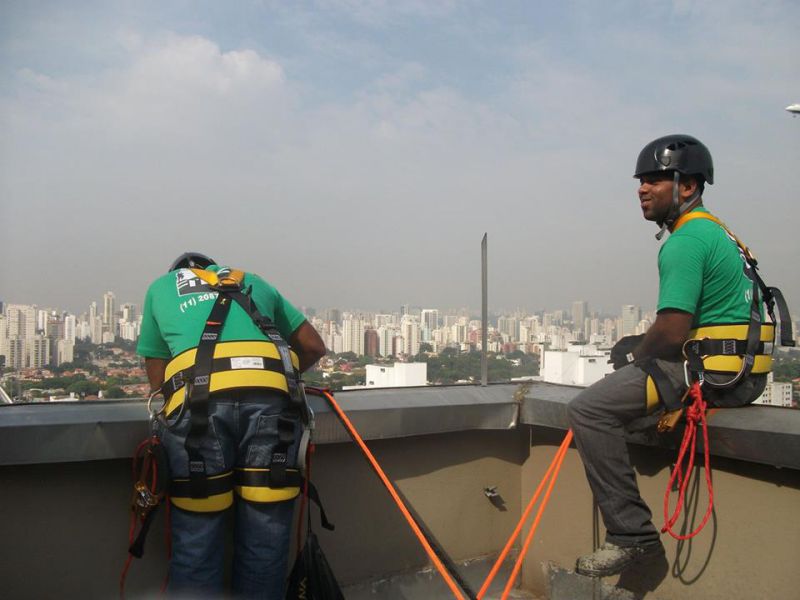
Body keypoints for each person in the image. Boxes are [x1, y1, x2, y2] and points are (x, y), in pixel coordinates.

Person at [567, 134, 774, 577]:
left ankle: (632, 536)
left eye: (656, 179)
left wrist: (636, 355)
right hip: (743, 374)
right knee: (634, 403)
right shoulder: (719, 231)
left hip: (710, 376)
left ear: (687, 186)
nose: (643, 188)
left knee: (589, 411)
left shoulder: (684, 241)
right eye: (642, 180)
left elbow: (673, 329)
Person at [137, 252, 326, 599]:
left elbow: (158, 380)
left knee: (197, 537)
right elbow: (313, 346)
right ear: (213, 269)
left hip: (198, 412)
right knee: (265, 541)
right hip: (275, 408)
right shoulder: (252, 279)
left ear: (179, 274)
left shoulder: (161, 288)